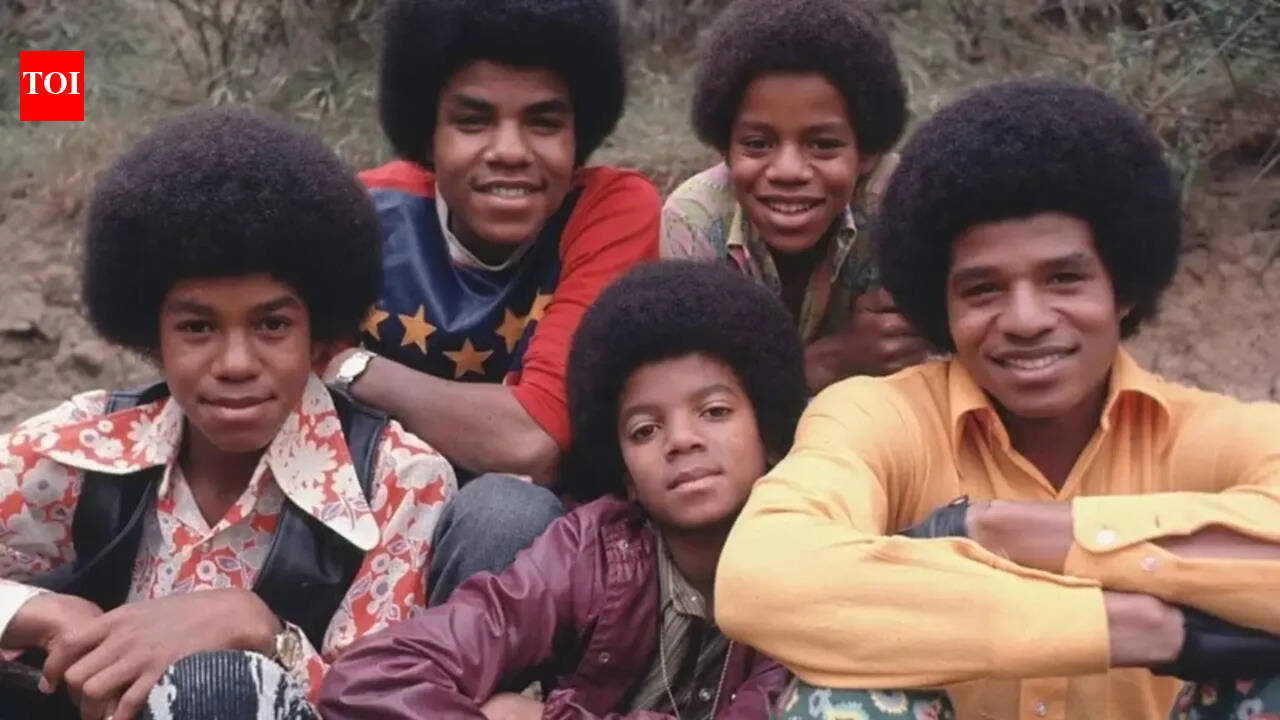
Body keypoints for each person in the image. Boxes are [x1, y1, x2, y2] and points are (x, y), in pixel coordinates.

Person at [713, 79, 1280, 720]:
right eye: (983, 290)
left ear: (1122, 289)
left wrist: (1001, 530)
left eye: (1063, 279)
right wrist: (1130, 627)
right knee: (844, 700)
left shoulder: (1212, 435)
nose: (1026, 320)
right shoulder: (878, 418)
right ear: (941, 307)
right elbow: (760, 576)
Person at [0, 109, 456, 720]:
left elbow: (379, 706)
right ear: (153, 336)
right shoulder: (87, 446)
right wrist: (41, 613)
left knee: (223, 686)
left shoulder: (398, 483)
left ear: (319, 333)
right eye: (198, 327)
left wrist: (263, 633)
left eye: (272, 325)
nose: (236, 363)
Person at [318, 261, 806, 720]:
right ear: (627, 476)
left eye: (715, 412)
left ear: (768, 436)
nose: (681, 440)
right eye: (645, 430)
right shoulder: (593, 551)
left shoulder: (811, 561)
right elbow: (369, 678)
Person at [322, 0, 660, 605]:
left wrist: (352, 367)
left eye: (543, 123)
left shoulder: (609, 210)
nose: (510, 150)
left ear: (580, 133)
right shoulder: (361, 215)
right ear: (428, 133)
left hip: (517, 539)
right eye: (473, 121)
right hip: (368, 503)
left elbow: (530, 441)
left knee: (508, 508)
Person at [661, 0, 927, 393]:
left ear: (867, 152)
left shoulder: (899, 205)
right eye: (757, 143)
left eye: (823, 145)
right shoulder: (694, 220)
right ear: (725, 149)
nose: (788, 171)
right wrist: (834, 358)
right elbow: (699, 391)